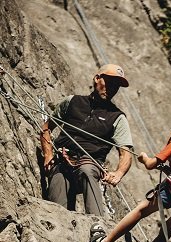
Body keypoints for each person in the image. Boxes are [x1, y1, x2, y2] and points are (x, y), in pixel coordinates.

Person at [40, 64, 133, 216]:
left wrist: (119, 173)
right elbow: (46, 128)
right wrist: (48, 154)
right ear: (97, 78)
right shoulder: (72, 102)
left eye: (116, 86)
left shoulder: (117, 117)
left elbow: (126, 152)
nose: (112, 88)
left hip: (89, 164)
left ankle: (98, 224)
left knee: (87, 171)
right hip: (62, 161)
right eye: (109, 83)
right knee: (57, 203)